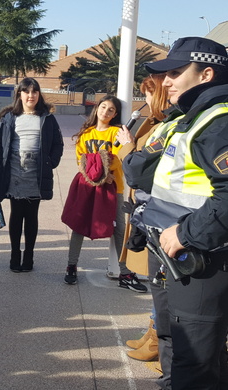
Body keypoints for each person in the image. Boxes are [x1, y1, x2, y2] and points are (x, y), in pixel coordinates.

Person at [123, 36, 228, 390]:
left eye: (176, 72)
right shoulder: (186, 119)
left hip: (201, 257)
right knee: (171, 340)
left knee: (195, 363)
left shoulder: (218, 121)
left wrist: (184, 233)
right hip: (173, 252)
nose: (165, 82)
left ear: (206, 74)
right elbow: (140, 172)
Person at [62, 94, 147, 291]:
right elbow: (81, 161)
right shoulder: (87, 134)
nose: (105, 112)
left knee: (119, 228)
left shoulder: (117, 133)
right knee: (79, 224)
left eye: (111, 110)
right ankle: (71, 266)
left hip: (113, 187)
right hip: (88, 186)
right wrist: (97, 173)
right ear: (97, 108)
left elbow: (121, 158)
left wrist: (105, 170)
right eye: (103, 107)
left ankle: (125, 272)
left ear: (115, 114)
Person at [117, 75, 172, 376]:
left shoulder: (166, 126)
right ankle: (154, 336)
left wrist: (127, 148)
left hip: (158, 213)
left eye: (150, 93)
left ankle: (160, 343)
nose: (147, 100)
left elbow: (141, 170)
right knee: (157, 285)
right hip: (146, 210)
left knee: (161, 284)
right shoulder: (154, 121)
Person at [0, 77, 64, 272]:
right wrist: (1, 170)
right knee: (16, 214)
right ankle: (15, 255)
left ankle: (29, 256)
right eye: (26, 91)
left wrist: (50, 163)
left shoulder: (47, 117)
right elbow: (1, 146)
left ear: (39, 94)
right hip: (15, 170)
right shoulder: (10, 117)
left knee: (31, 215)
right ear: (19, 94)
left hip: (37, 171)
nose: (30, 95)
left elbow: (58, 144)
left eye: (34, 92)